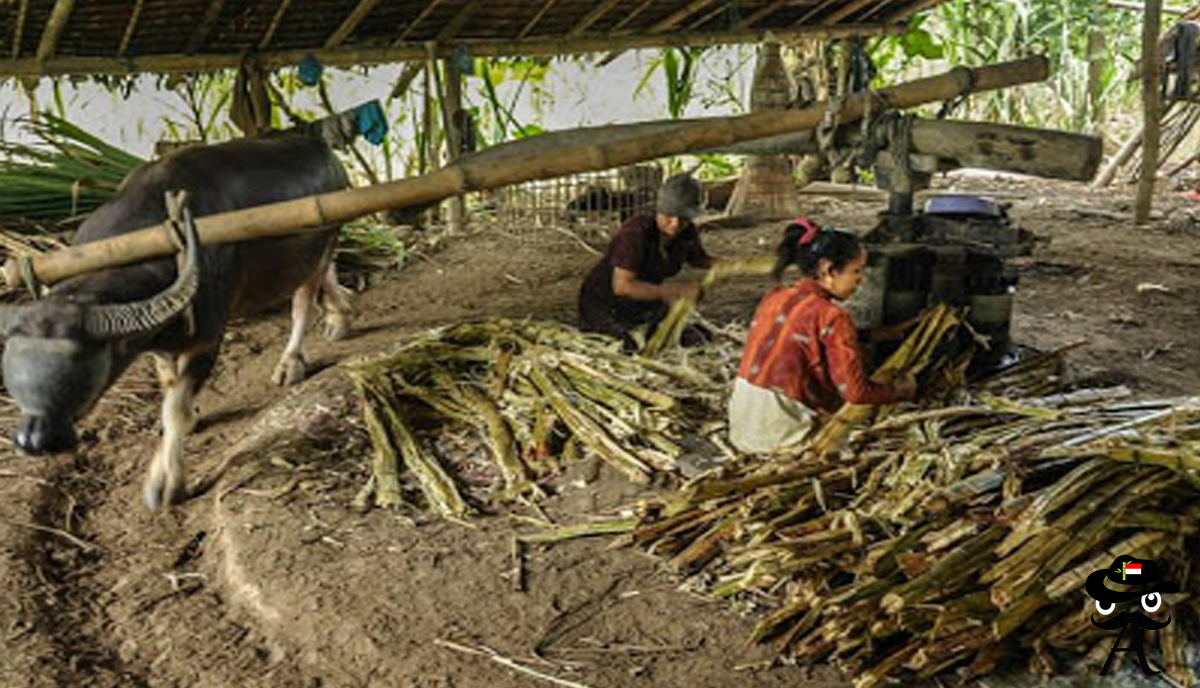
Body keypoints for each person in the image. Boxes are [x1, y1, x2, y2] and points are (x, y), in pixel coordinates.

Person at [728, 219, 917, 454]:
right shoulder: (833, 316)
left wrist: (877, 335)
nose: (860, 280)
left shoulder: (776, 296)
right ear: (828, 270)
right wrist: (898, 393)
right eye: (856, 271)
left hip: (742, 427)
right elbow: (856, 393)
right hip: (779, 438)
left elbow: (806, 337)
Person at [578, 173, 714, 351]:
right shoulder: (635, 233)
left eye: (684, 219)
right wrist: (674, 291)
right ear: (658, 210)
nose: (675, 224)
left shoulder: (687, 232)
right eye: (668, 216)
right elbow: (623, 286)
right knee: (628, 347)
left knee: (698, 338)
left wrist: (737, 265)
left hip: (644, 302)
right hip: (606, 304)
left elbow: (700, 260)